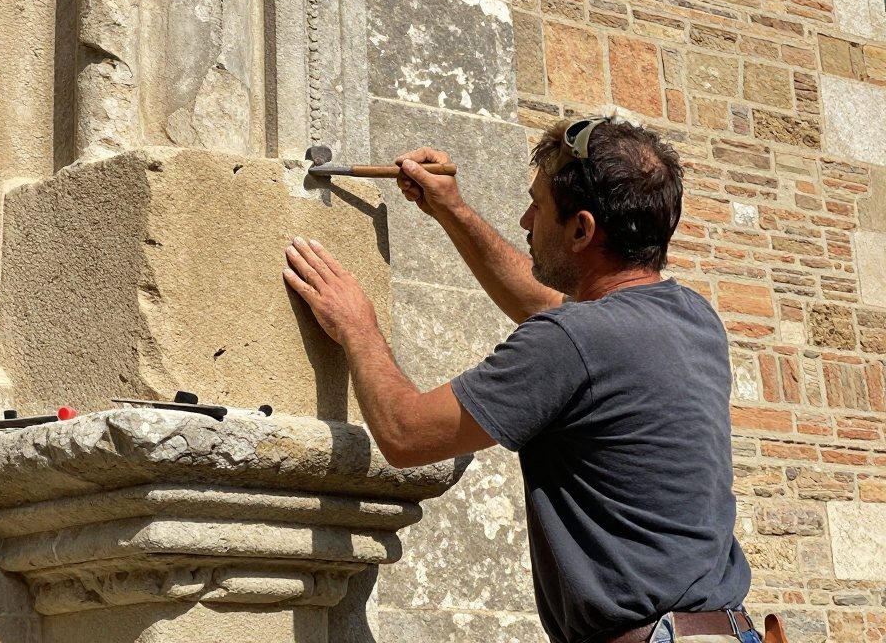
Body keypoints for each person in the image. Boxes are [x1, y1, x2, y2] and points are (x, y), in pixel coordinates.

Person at [282, 117, 760, 643]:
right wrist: (452, 209)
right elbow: (546, 307)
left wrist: (356, 325)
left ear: (581, 230)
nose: (526, 220)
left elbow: (405, 434)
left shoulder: (574, 339)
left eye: (538, 206)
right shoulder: (691, 317)